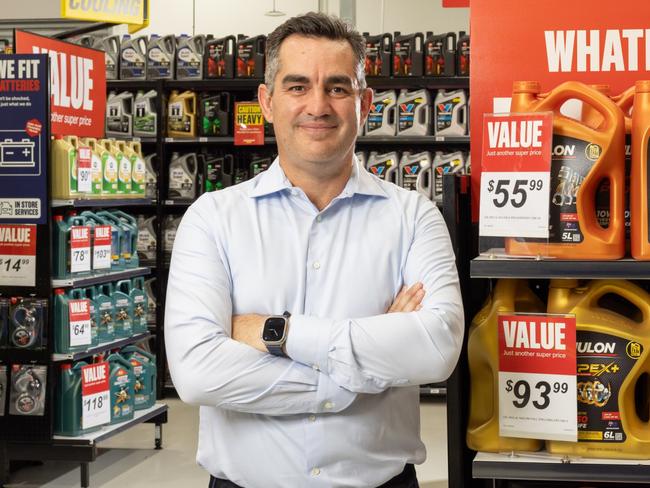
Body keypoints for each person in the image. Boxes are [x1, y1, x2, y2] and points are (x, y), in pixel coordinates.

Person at [165, 11, 464, 488]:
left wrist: (275, 332)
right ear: (266, 101)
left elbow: (435, 349)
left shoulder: (413, 217)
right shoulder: (212, 218)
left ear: (364, 102)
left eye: (338, 88)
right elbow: (199, 373)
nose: (318, 105)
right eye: (298, 86)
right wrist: (362, 370)